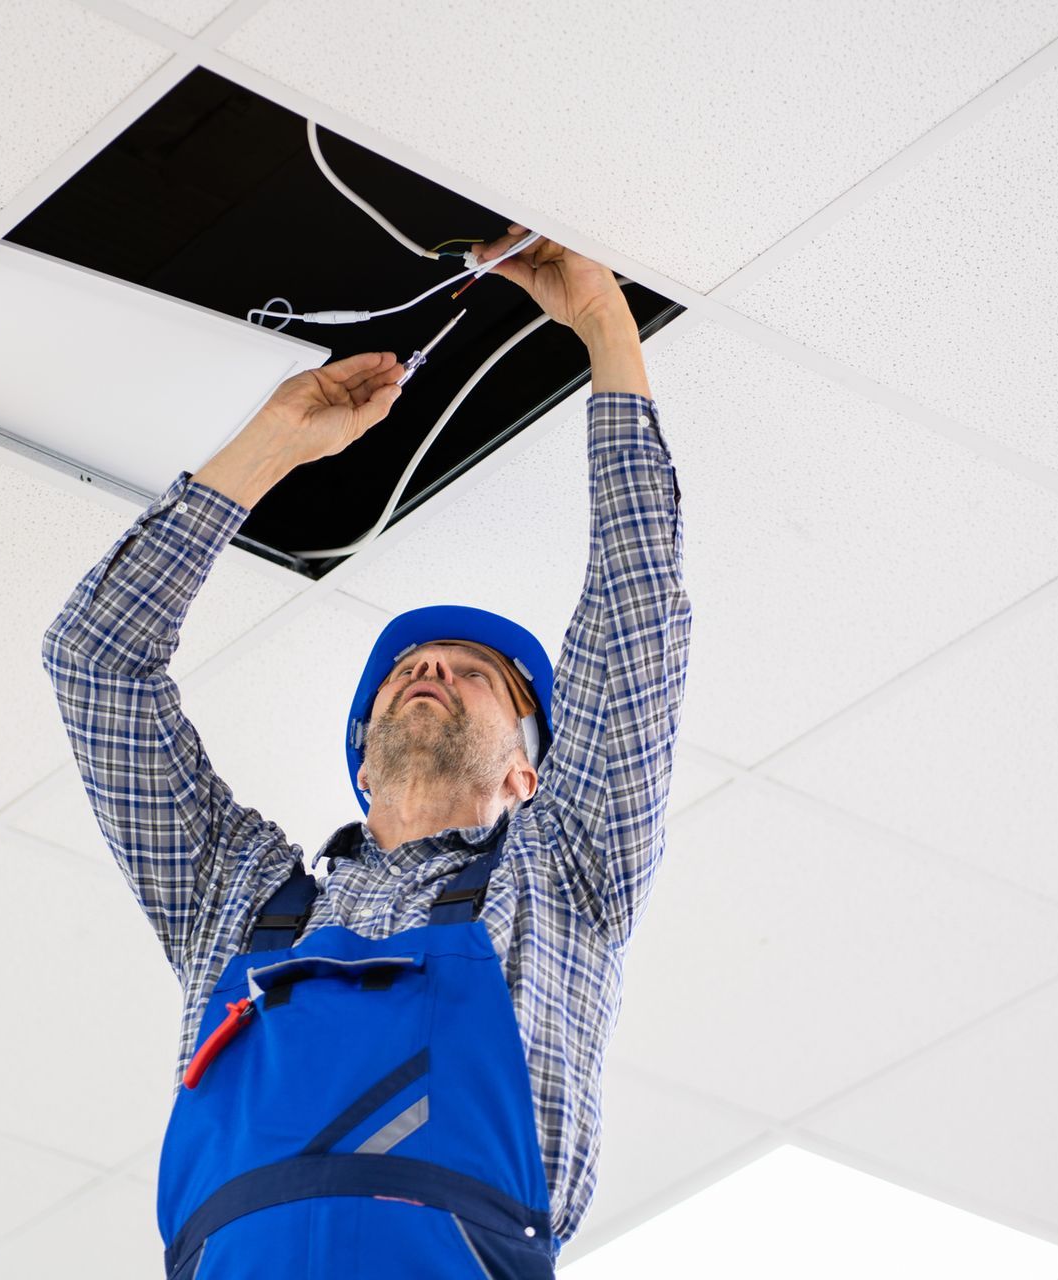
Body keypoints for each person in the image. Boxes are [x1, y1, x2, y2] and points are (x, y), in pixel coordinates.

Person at [43, 227, 692, 1278]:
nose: (429, 668)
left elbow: (636, 619)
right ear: (362, 756)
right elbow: (96, 663)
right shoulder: (239, 898)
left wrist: (605, 328)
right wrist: (272, 443)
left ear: (532, 772)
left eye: (476, 673)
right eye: (408, 667)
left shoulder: (564, 874)